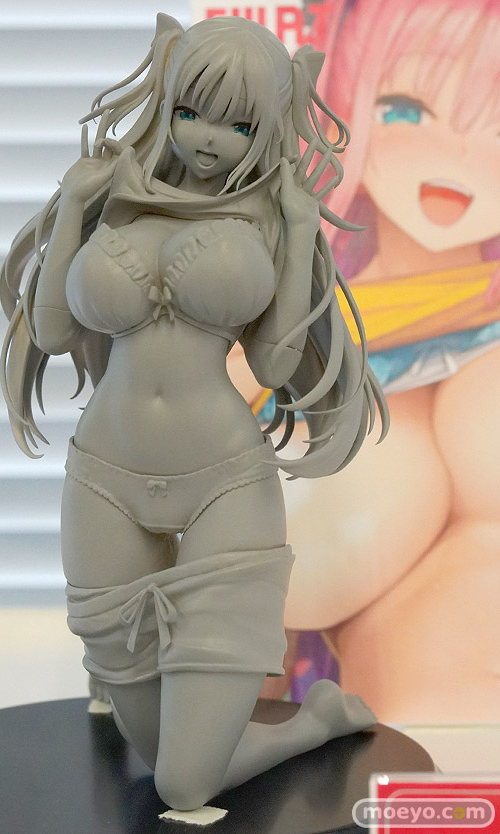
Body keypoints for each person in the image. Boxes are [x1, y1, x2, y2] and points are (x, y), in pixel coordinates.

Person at [0, 15, 386, 812]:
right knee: (154, 757)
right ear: (168, 100)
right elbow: (52, 330)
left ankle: (314, 724)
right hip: (103, 483)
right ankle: (119, 684)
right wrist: (71, 211)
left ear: (269, 125)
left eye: (239, 125)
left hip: (224, 485)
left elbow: (274, 366)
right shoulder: (112, 197)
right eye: (192, 112)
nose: (210, 140)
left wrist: (301, 229)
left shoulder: (272, 215)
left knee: (183, 782)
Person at [284, 0, 500, 722]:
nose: (456, 154)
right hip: (369, 754)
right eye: (407, 108)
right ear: (347, 104)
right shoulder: (283, 329)